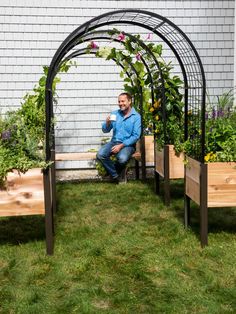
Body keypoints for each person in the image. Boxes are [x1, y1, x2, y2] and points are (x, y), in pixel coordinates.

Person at [97, 92, 141, 183]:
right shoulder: (115, 114)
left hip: (128, 145)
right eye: (119, 101)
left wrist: (121, 146)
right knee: (101, 155)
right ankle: (116, 175)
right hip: (114, 142)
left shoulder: (136, 117)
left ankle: (114, 174)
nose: (120, 103)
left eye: (123, 101)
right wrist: (107, 123)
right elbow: (105, 130)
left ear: (129, 101)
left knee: (122, 159)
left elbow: (136, 136)